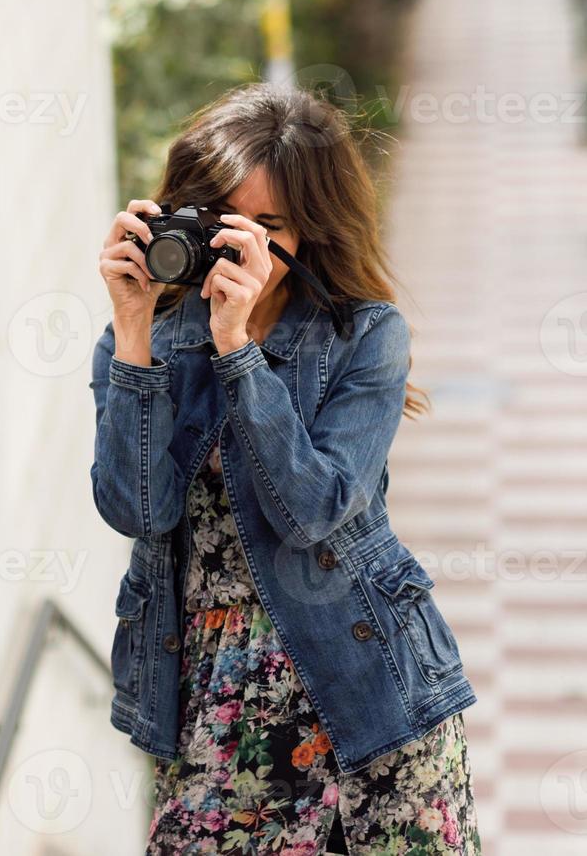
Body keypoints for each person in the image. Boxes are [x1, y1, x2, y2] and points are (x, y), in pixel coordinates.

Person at [90, 84, 481, 854]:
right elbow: (138, 511)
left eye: (266, 227)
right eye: (220, 223)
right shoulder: (145, 341)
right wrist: (132, 329)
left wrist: (237, 351)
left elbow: (311, 510)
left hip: (366, 695)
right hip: (213, 695)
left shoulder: (363, 338)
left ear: (308, 233)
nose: (240, 246)